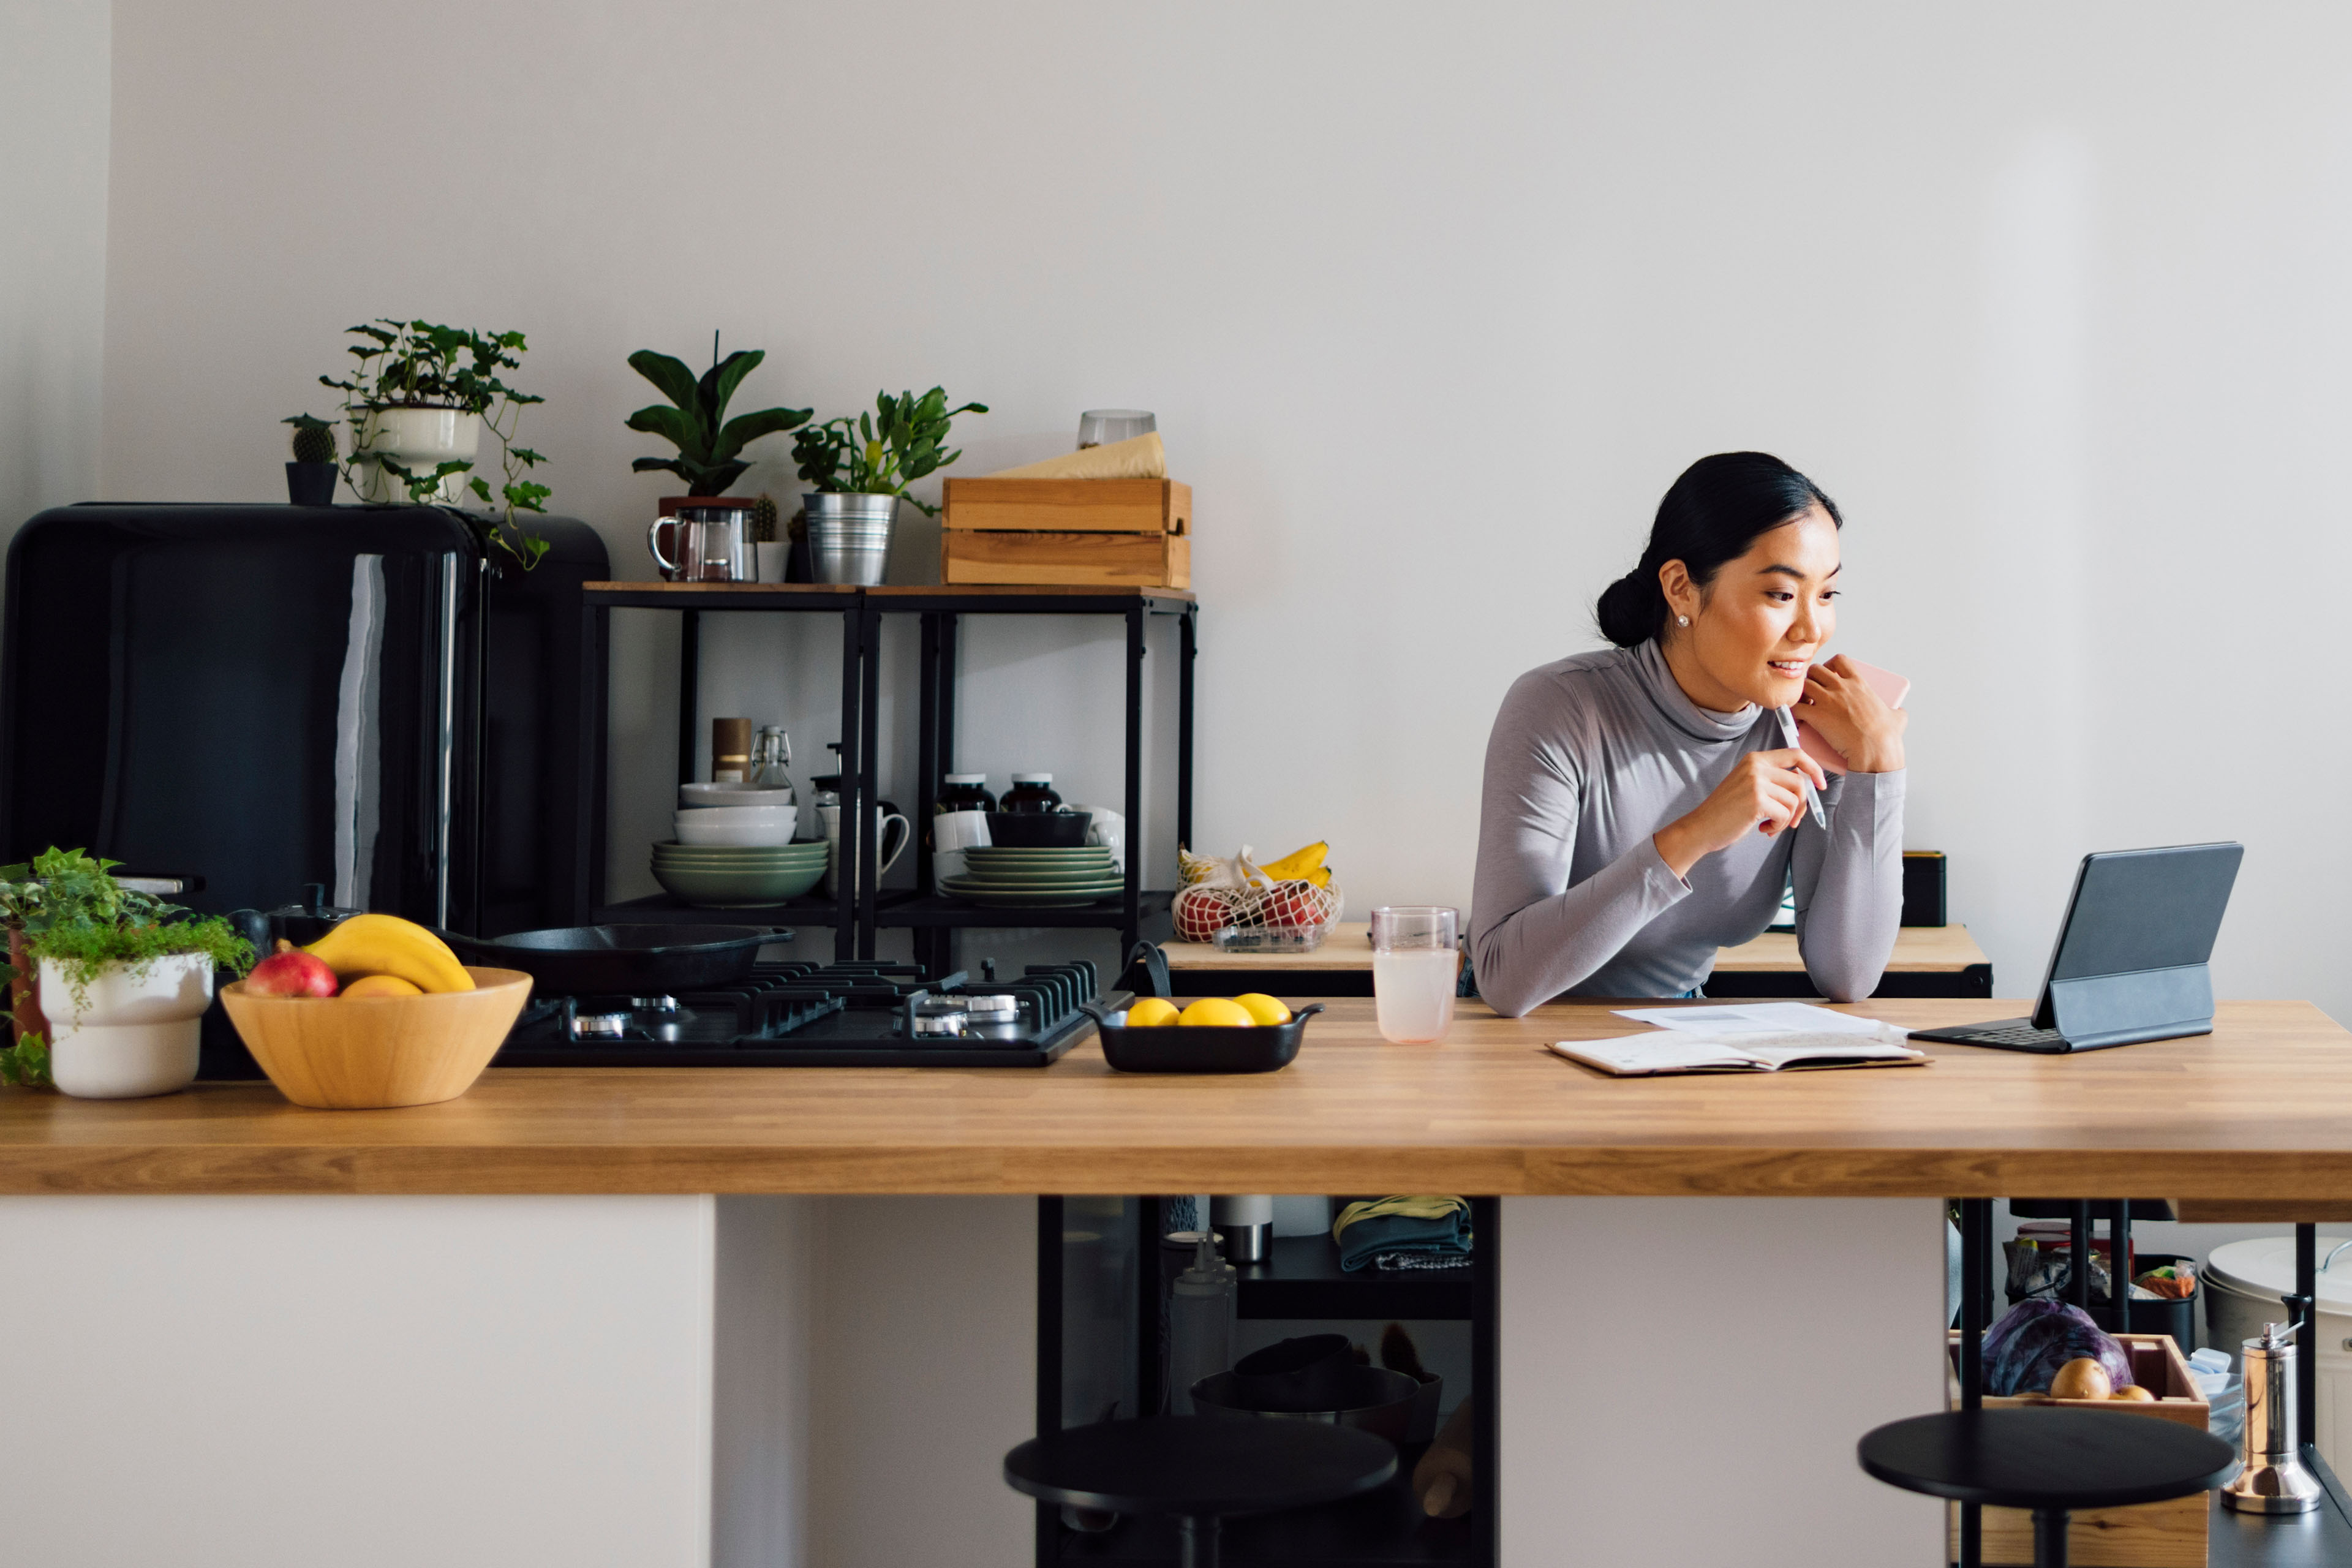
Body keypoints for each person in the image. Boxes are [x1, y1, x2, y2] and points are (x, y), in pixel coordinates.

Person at [1469, 451, 1907, 1016]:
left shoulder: (1808, 731)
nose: (1811, 629)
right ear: (1681, 589)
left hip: (1679, 1049)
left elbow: (1847, 975)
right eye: (1780, 594)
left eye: (1826, 595)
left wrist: (1881, 769)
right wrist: (1696, 833)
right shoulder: (1561, 707)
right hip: (1522, 1047)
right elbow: (1505, 978)